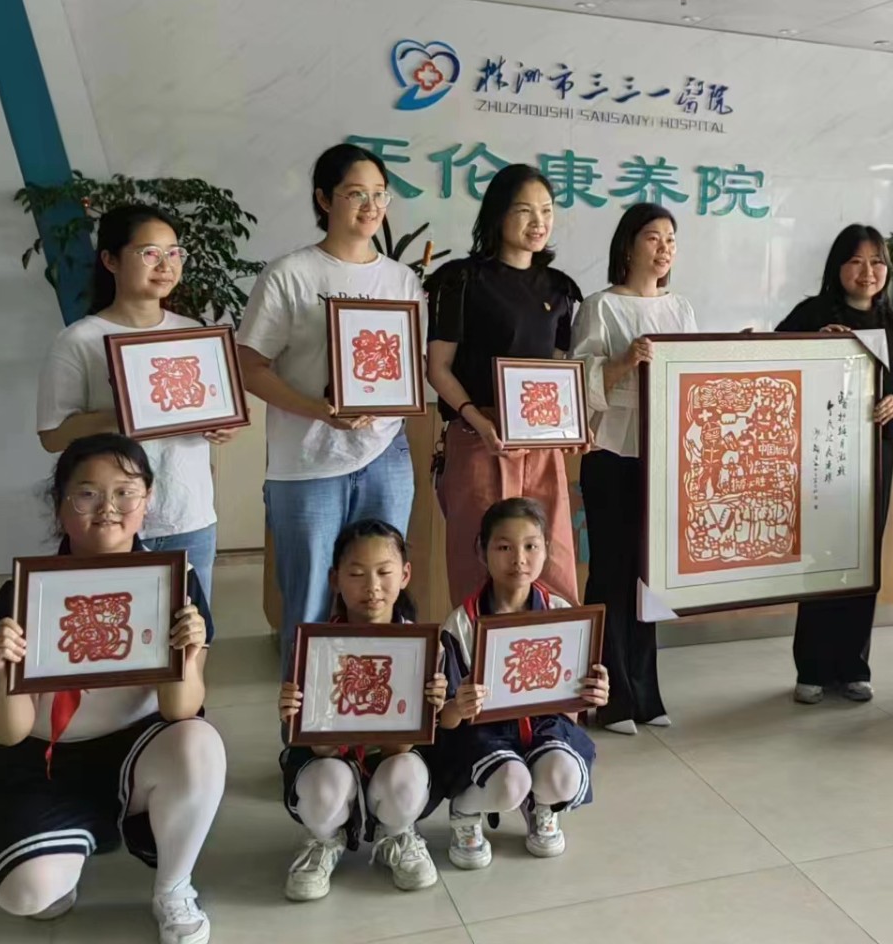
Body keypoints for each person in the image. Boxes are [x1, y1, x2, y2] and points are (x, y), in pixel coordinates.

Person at [0, 434, 224, 944]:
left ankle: (174, 887)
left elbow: (180, 708)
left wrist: (188, 655)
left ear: (147, 501)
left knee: (199, 742)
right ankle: (66, 846)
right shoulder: (23, 596)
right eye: (87, 494)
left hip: (141, 749)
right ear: (60, 506)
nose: (108, 509)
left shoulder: (178, 584)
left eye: (125, 492)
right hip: (43, 761)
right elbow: (9, 732)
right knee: (29, 896)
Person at [238, 143, 424, 675]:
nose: (371, 206)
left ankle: (378, 713)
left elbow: (406, 364)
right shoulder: (291, 274)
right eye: (355, 194)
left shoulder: (401, 279)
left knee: (381, 597)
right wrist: (318, 410)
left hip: (385, 453)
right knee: (310, 603)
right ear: (324, 199)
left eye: (380, 195)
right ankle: (303, 722)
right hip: (307, 463)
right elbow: (249, 366)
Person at [37, 204, 240, 604]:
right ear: (110, 260)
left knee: (192, 629)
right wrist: (125, 413)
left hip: (189, 515)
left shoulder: (195, 334)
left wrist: (223, 426)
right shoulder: (79, 340)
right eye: (150, 253)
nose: (166, 264)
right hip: (112, 522)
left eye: (174, 253)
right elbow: (52, 436)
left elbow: (220, 418)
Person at [776, 224, 893, 705]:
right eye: (856, 261)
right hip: (821, 453)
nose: (868, 272)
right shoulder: (811, 313)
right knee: (822, 556)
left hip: (875, 455)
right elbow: (774, 361)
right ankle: (812, 668)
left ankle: (854, 666)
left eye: (877, 262)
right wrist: (816, 344)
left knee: (864, 557)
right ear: (837, 266)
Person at [427, 166, 583, 607]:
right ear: (498, 215)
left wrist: (571, 422)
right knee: (480, 558)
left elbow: (557, 370)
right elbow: (438, 368)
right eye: (524, 211)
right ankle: (477, 648)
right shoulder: (460, 280)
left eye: (547, 211)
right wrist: (477, 421)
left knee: (550, 556)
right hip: (480, 438)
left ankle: (552, 645)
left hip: (541, 443)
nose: (539, 222)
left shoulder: (560, 289)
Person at [570, 203, 696, 734]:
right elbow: (578, 381)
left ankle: (646, 694)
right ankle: (611, 697)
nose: (664, 248)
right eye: (653, 237)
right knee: (611, 571)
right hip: (611, 451)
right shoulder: (600, 306)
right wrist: (626, 360)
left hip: (664, 454)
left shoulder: (680, 307)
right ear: (627, 245)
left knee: (650, 577)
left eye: (671, 239)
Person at [279, 520, 447, 902]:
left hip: (392, 758)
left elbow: (399, 748)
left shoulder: (424, 648)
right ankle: (325, 839)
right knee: (324, 786)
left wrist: (426, 708)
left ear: (405, 575)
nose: (372, 587)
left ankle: (397, 833)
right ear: (334, 579)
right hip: (330, 759)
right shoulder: (313, 647)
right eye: (356, 574)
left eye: (384, 572)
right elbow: (321, 748)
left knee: (405, 776)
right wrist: (297, 716)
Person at [437, 499, 609, 869]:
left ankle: (541, 807)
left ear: (547, 549)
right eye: (504, 547)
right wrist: (459, 707)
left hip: (546, 727)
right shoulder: (461, 623)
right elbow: (444, 720)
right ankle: (466, 810)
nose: (519, 559)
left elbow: (579, 694)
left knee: (563, 776)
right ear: (482, 551)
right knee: (510, 783)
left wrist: (596, 693)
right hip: (484, 735)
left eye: (531, 546)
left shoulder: (562, 614)